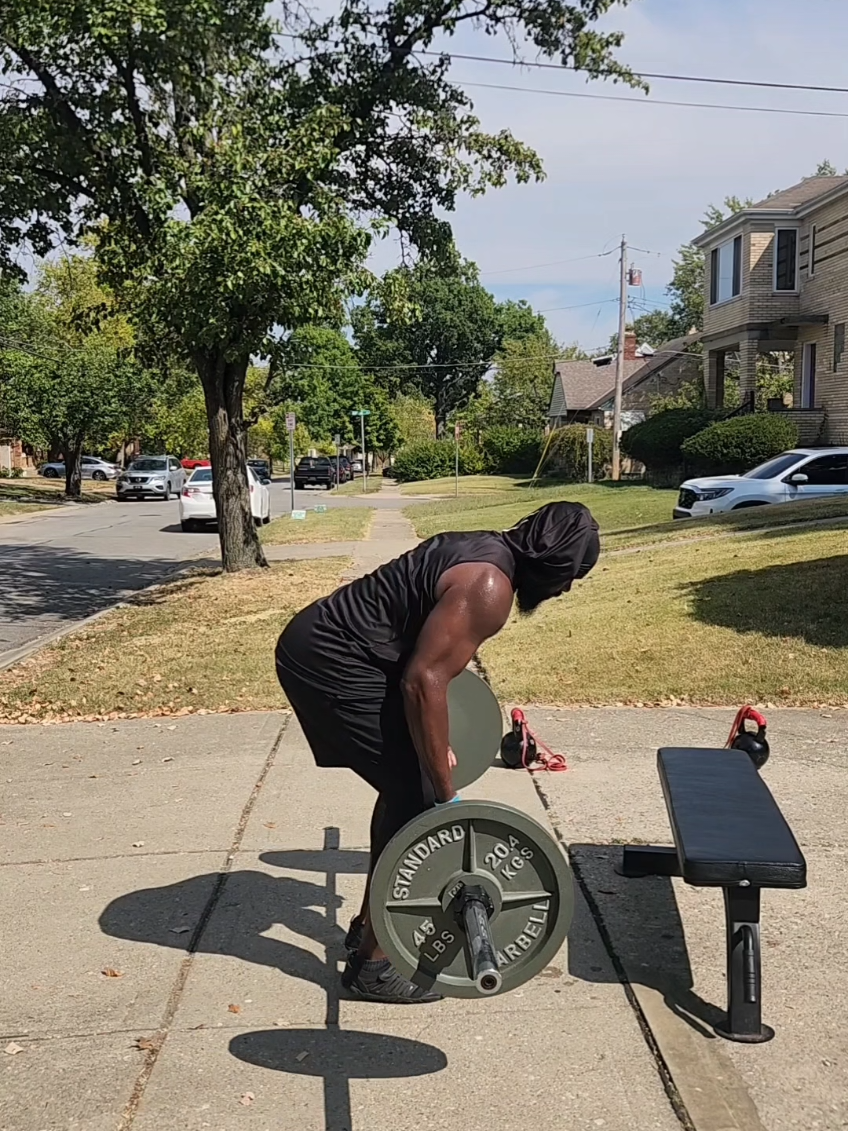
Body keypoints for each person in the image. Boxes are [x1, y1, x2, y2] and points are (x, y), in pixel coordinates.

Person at [274, 500, 600, 1004]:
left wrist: (434, 750)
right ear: (556, 563)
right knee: (419, 794)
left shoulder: (483, 547)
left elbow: (429, 675)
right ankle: (375, 969)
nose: (568, 587)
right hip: (329, 659)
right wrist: (444, 796)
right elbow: (423, 680)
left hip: (335, 648)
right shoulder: (489, 587)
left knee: (406, 787)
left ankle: (368, 930)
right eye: (573, 575)